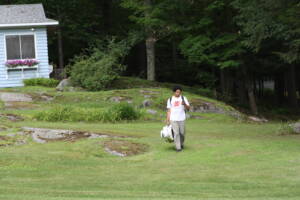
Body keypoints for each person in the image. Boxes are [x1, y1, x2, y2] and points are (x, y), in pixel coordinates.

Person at [166, 86, 190, 152]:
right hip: (173, 119)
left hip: (182, 118)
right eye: (177, 92)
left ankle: (181, 144)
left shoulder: (183, 98)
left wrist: (184, 104)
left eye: (179, 92)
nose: (178, 93)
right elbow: (169, 110)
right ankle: (178, 147)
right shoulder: (170, 99)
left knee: (182, 133)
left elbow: (188, 108)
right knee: (176, 133)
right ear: (174, 92)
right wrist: (168, 120)